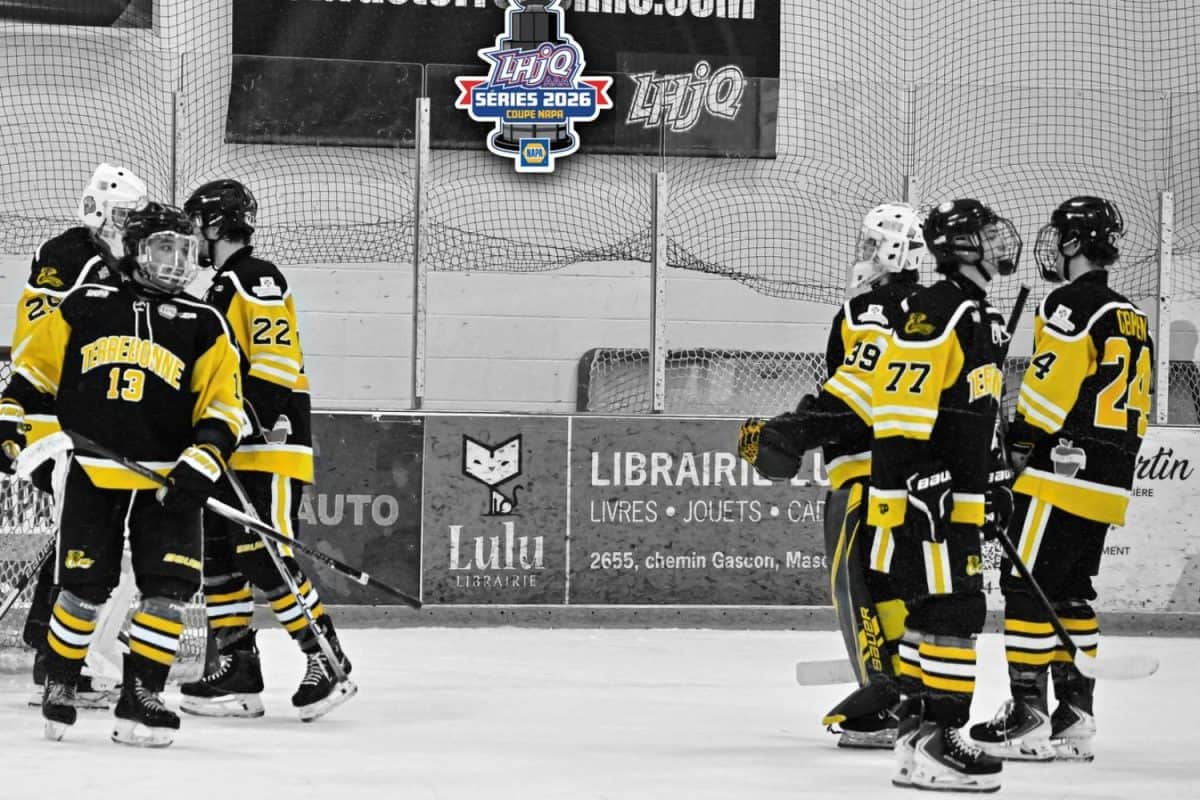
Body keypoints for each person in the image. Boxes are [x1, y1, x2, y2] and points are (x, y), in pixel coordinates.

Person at [0, 202, 244, 746]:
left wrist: (202, 462)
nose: (178, 261)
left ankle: (143, 695)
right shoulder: (86, 305)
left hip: (167, 486)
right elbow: (32, 370)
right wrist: (7, 418)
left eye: (185, 249)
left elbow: (224, 409)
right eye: (164, 247)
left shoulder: (205, 322)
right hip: (93, 470)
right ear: (135, 250)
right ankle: (61, 681)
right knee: (84, 589)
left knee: (168, 590)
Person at [969, 197, 1152, 763]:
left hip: (1060, 473)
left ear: (1073, 243)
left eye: (1058, 236)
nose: (1053, 245)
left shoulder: (1070, 302)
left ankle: (1026, 717)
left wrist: (1015, 452)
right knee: (1072, 592)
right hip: (1110, 478)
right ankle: (1074, 719)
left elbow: (1050, 392)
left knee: (1027, 589)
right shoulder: (1132, 314)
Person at [178, 178, 355, 722]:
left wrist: (244, 421)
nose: (191, 240)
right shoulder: (221, 286)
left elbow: (275, 362)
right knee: (218, 556)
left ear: (214, 225)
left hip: (268, 445)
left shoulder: (258, 276)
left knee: (261, 553)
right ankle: (237, 669)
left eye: (195, 227)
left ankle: (327, 659)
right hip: (230, 448)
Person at [868, 198, 1021, 792]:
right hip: (927, 502)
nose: (997, 241)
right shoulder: (938, 309)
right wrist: (921, 473)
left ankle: (915, 738)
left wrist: (995, 478)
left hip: (955, 496)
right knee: (954, 613)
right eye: (985, 233)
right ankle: (942, 740)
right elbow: (903, 401)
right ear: (961, 246)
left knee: (934, 615)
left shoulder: (974, 311)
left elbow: (971, 413)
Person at [13, 162, 149, 708]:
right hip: (55, 423)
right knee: (91, 542)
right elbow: (46, 343)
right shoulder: (71, 254)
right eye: (121, 215)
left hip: (72, 422)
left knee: (83, 534)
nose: (127, 225)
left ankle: (48, 641)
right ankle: (61, 661)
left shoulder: (103, 260)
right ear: (96, 208)